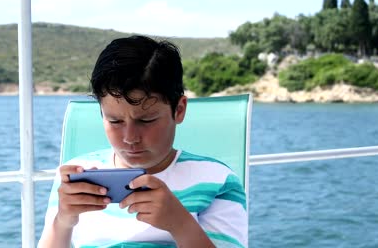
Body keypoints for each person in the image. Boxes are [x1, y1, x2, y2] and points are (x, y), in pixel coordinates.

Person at [38, 35, 248, 247]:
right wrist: (63, 221)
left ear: (180, 110)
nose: (130, 137)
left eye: (146, 120)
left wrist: (181, 224)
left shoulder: (217, 181)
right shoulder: (76, 176)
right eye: (115, 120)